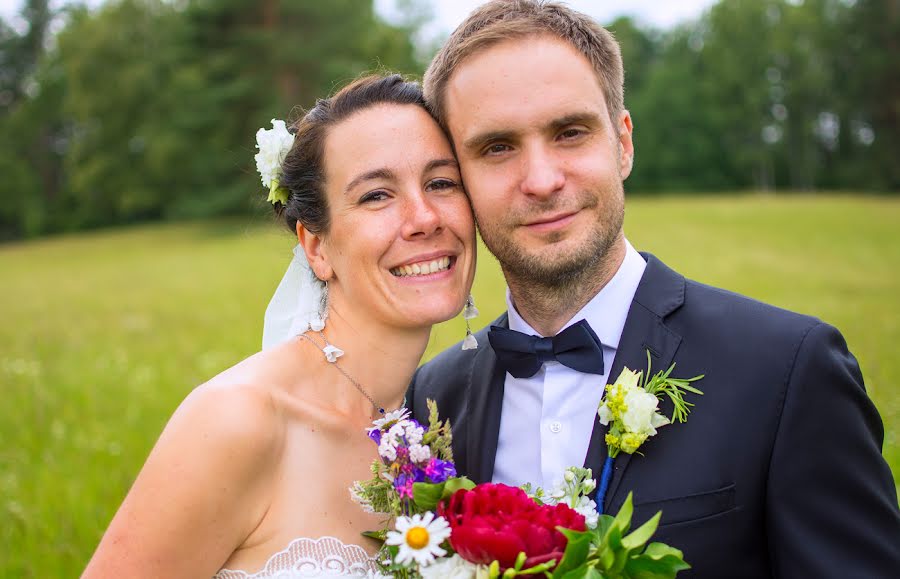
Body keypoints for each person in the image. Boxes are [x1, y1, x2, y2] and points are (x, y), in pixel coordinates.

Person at [407, 1, 900, 577]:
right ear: (457, 178)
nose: (541, 181)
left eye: (570, 133)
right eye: (497, 147)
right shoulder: (433, 399)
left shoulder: (789, 370)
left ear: (623, 143)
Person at [83, 74, 476, 578]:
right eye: (377, 195)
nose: (424, 217)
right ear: (316, 246)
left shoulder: (429, 434)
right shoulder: (237, 421)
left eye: (442, 183)